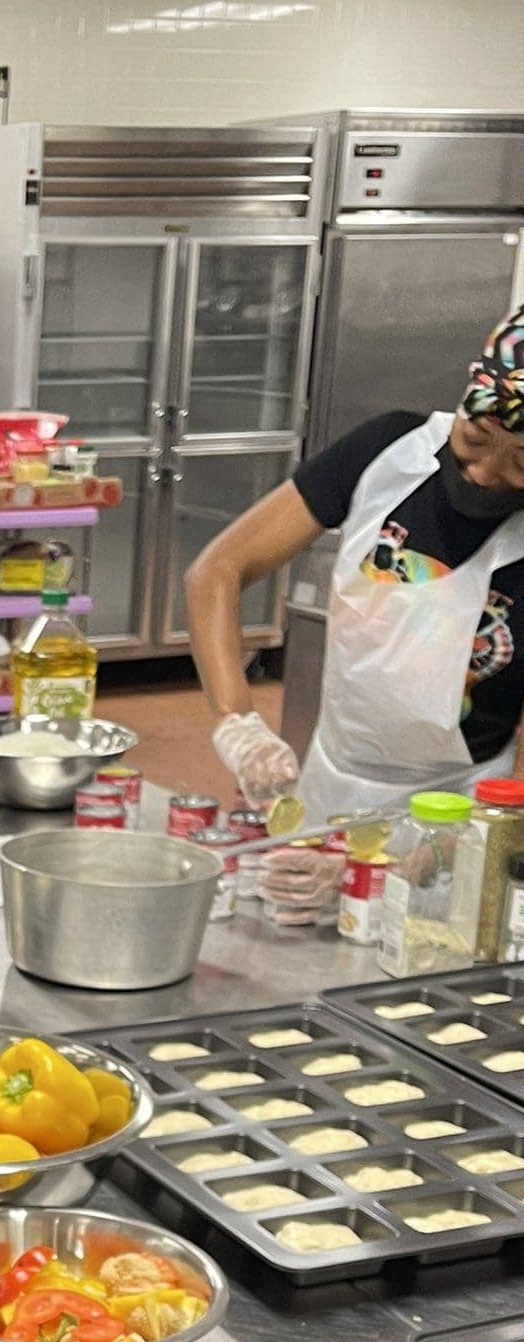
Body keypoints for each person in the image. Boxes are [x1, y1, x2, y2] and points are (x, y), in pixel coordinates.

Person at [187, 306, 524, 921]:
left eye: (520, 466)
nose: (482, 473)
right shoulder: (389, 451)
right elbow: (216, 571)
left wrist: (411, 861)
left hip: (464, 817)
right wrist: (237, 723)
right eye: (475, 441)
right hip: (328, 785)